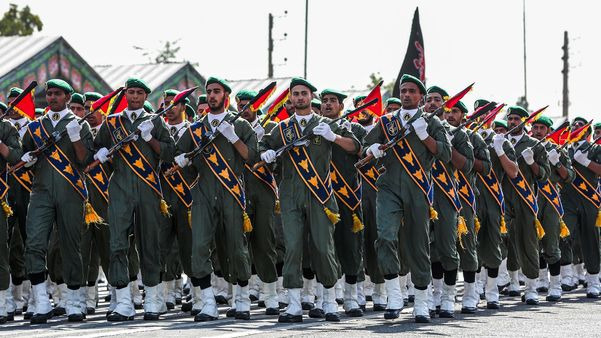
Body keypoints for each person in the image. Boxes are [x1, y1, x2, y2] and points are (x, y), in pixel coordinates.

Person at [258, 77, 360, 323]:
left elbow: (355, 146)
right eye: (296, 94)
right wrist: (267, 153)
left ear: (311, 97)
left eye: (304, 93)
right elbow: (261, 147)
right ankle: (294, 304)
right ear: (290, 99)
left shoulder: (327, 124)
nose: (300, 98)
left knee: (323, 248)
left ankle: (328, 301)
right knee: (293, 248)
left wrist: (333, 137)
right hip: (291, 195)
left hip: (320, 195)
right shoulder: (281, 129)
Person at [363, 74, 452, 322]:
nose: (406, 95)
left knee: (418, 244)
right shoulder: (386, 121)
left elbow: (445, 155)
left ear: (421, 97)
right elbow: (365, 147)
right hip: (388, 186)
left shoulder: (432, 123)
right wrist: (370, 148)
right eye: (403, 90)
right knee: (385, 237)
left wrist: (425, 137)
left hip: (418, 188)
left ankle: (422, 302)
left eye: (412, 91)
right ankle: (394, 296)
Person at [174, 77, 257, 321]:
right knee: (199, 247)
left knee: (236, 247)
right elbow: (178, 154)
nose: (211, 95)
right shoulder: (196, 128)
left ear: (226, 97)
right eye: (209, 91)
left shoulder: (240, 126)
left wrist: (233, 138)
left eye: (216, 92)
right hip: (202, 194)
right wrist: (182, 161)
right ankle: (208, 303)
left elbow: (253, 157)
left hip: (231, 193)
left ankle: (241, 299)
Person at [93, 78, 176, 321]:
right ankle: (123, 302)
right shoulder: (112, 122)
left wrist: (150, 138)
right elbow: (96, 149)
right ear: (125, 94)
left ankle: (152, 299)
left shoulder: (156, 121)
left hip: (148, 188)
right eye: (131, 92)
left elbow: (170, 153)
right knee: (117, 242)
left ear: (146, 96)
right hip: (119, 187)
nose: (135, 96)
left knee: (149, 243)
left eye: (140, 92)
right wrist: (100, 153)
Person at [21, 79, 94, 323]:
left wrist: (75, 138)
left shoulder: (79, 125)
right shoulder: (35, 127)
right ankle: (42, 301)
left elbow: (86, 162)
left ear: (67, 97)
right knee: (34, 243)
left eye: (57, 94)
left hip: (70, 191)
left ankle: (74, 301)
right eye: (49, 93)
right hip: (41, 191)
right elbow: (24, 157)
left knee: (70, 245)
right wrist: (27, 158)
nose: (52, 97)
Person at [320, 88, 366, 317]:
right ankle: (324, 297)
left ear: (341, 106)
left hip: (347, 196)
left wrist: (333, 137)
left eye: (333, 101)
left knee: (350, 246)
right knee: (323, 246)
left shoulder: (352, 127)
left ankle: (350, 297)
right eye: (325, 101)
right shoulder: (314, 126)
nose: (328, 104)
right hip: (321, 195)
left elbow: (357, 149)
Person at [503, 106, 550, 305]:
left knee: (528, 242)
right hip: (504, 197)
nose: (512, 122)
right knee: (507, 243)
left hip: (525, 199)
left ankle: (531, 287)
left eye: (516, 119)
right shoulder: (500, 141)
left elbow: (544, 175)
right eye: (510, 118)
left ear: (524, 122)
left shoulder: (534, 145)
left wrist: (531, 162)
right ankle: (512, 282)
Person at [0, 100, 23, 323]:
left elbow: (17, 157)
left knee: (0, 251)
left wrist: (1, 146)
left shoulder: (6, 128)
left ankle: (3, 302)